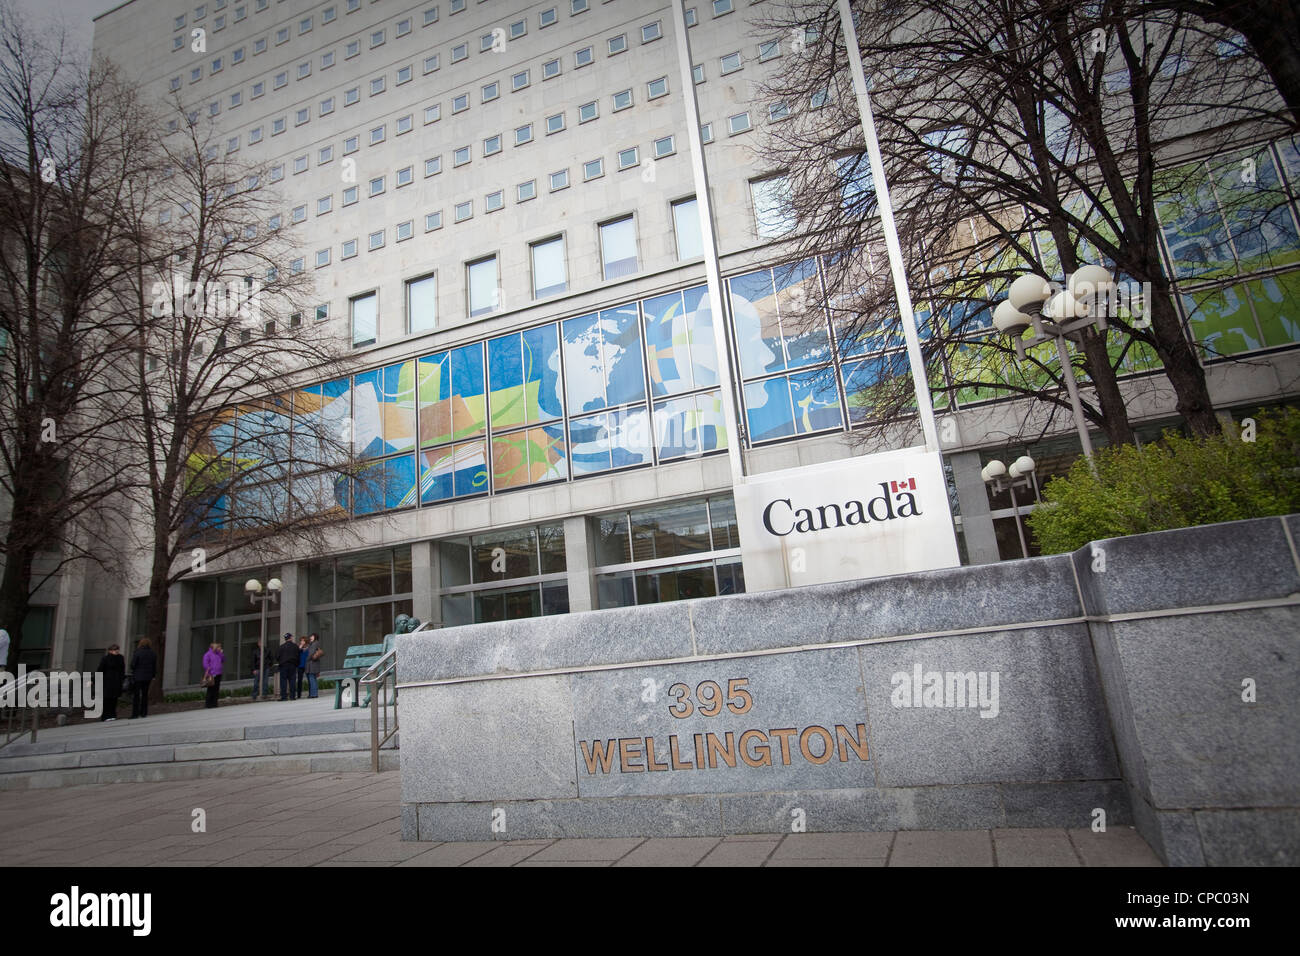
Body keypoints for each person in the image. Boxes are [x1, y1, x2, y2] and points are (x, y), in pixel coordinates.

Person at [129, 638, 157, 719]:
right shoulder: (152, 653)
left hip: (138, 676)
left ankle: (135, 714)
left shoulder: (137, 652)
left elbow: (133, 665)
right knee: (145, 695)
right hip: (148, 677)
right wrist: (153, 676)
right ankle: (144, 712)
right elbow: (154, 666)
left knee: (136, 696)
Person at [95, 644, 125, 721]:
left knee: (114, 699)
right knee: (107, 699)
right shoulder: (105, 659)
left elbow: (122, 669)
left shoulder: (120, 658)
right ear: (110, 651)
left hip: (117, 681)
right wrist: (95, 680)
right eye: (115, 649)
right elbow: (100, 669)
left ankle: (112, 715)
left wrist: (121, 679)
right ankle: (105, 716)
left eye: (117, 649)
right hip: (107, 681)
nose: (117, 651)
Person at [276, 632, 299, 701]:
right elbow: (298, 656)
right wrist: (296, 664)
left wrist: (280, 662)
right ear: (291, 638)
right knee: (292, 680)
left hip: (283, 665)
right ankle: (292, 696)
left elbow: (277, 656)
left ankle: (284, 697)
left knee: (283, 681)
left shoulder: (281, 647)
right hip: (292, 665)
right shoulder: (295, 646)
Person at [202, 642, 224, 709]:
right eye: (217, 647)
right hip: (212, 674)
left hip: (218, 673)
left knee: (216, 689)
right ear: (213, 647)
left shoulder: (218, 654)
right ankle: (208, 704)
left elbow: (223, 660)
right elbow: (205, 664)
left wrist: (221, 653)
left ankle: (214, 703)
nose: (219, 648)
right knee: (211, 689)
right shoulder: (208, 654)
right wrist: (209, 671)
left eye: (219, 647)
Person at [305, 632, 323, 699]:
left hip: (312, 664)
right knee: (313, 679)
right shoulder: (312, 644)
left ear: (315, 637)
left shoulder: (315, 643)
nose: (310, 637)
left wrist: (307, 659)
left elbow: (311, 653)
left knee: (312, 678)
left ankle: (314, 694)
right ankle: (313, 693)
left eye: (312, 636)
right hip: (313, 664)